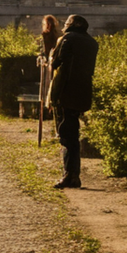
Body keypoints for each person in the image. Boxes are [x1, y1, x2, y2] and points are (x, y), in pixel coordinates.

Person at [49, 14, 98, 189]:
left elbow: (55, 63)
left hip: (65, 92)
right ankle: (72, 175)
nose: (64, 25)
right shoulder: (92, 42)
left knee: (66, 135)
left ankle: (70, 176)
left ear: (73, 25)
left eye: (67, 23)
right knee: (73, 134)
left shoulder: (67, 39)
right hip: (83, 92)